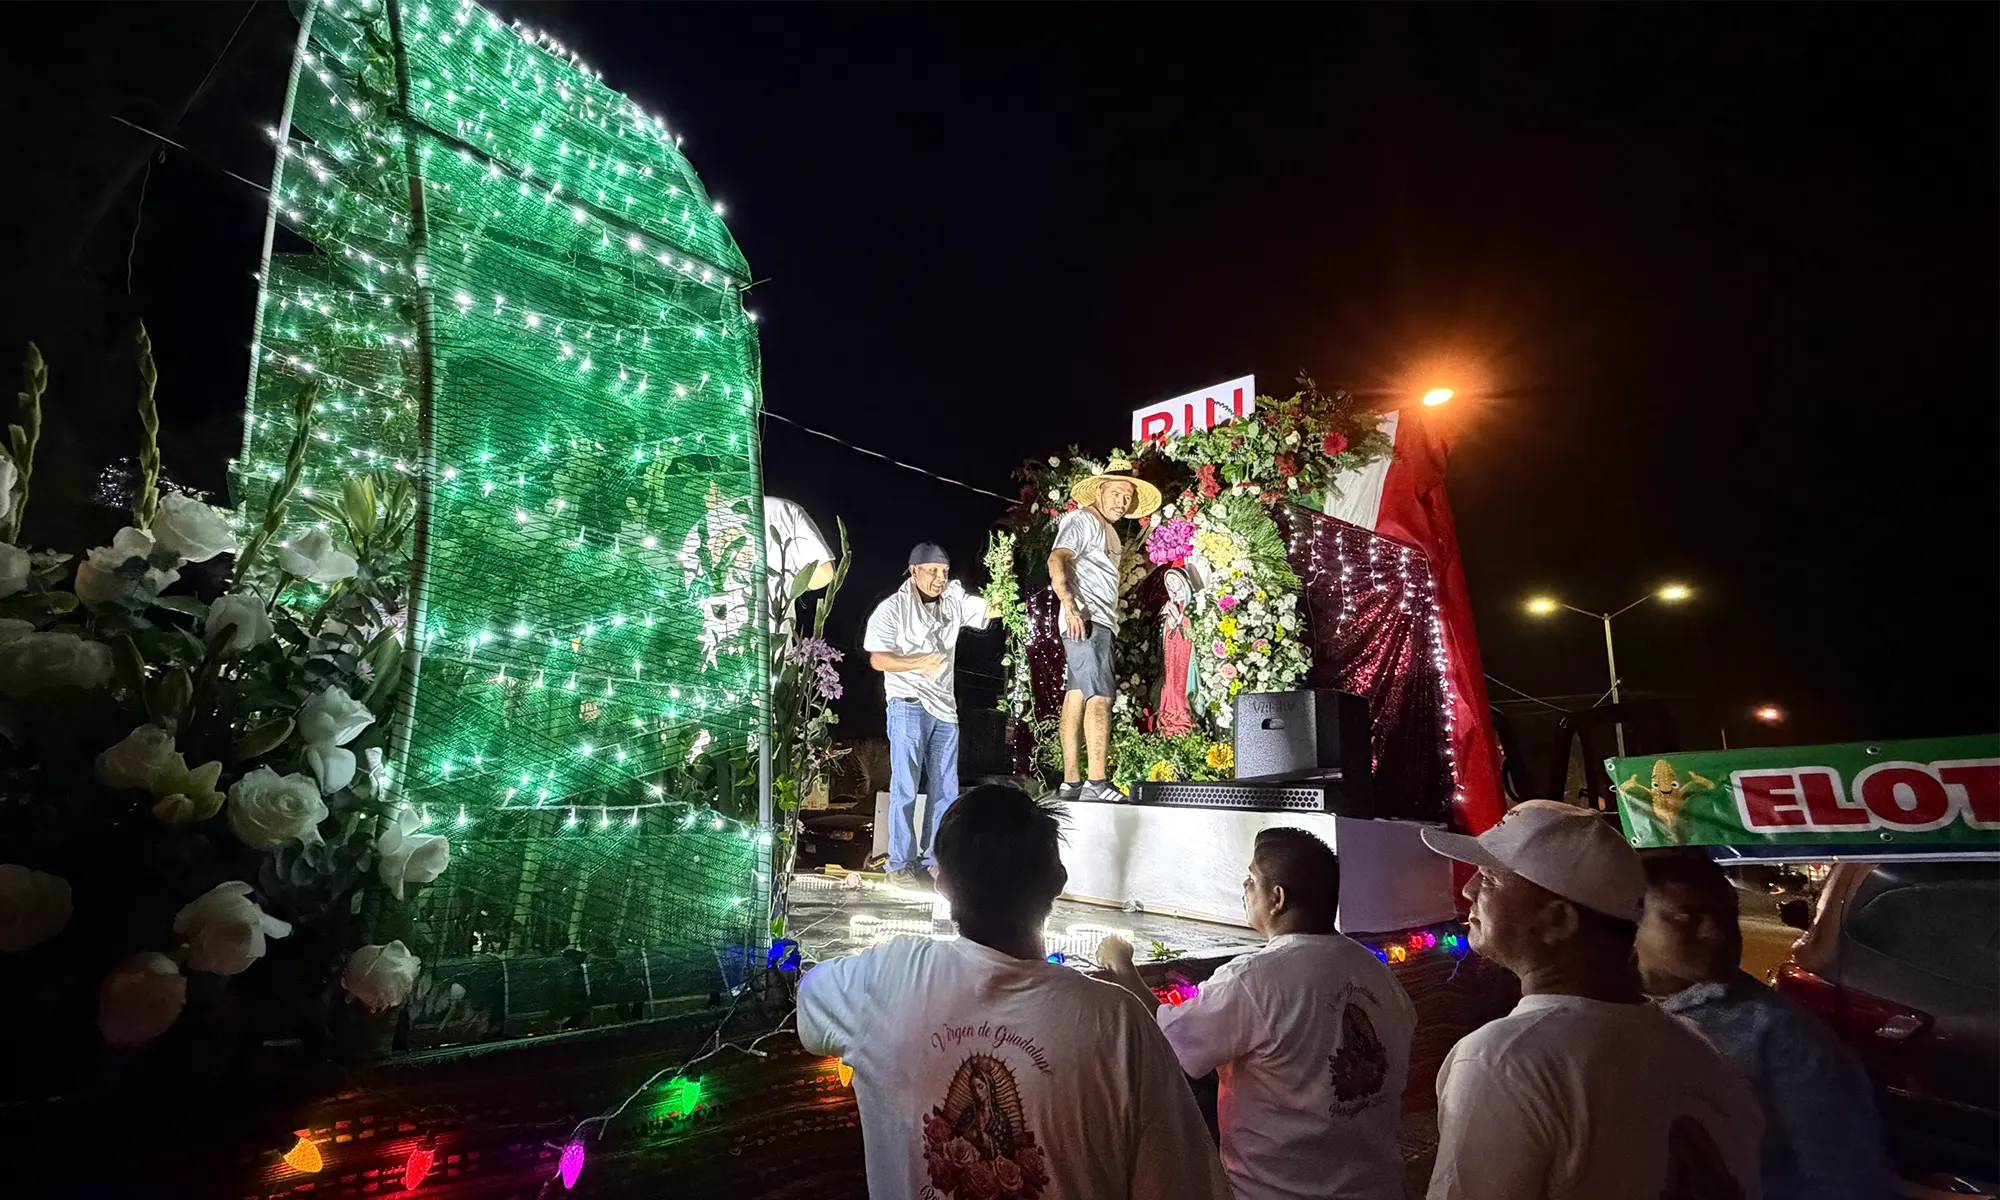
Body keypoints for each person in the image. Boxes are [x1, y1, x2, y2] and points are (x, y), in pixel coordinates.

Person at [799, 785, 1231, 1200]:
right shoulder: (1118, 1025)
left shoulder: (882, 980)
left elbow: (810, 1003)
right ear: (1058, 880)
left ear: (941, 884)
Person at [1419, 800, 1763, 1200]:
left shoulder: (1505, 1060)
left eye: (1491, 879)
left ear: (1557, 921)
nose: (1469, 888)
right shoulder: (1697, 1049)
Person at [1098, 828, 1416, 1200]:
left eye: (1251, 879)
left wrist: (1124, 970)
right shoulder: (1377, 973)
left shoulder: (1256, 979)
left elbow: (1173, 1044)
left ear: (1277, 898)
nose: (1245, 888)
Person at [1637, 852, 1896, 1200]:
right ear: (1630, 920)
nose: (1716, 933)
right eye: (1687, 917)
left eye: (1729, 914)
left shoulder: (1781, 1035)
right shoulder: (1596, 1011)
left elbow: (1845, 1179)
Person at [864, 543, 995, 888]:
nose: (940, 578)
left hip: (944, 709)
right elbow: (878, 659)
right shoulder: (892, 609)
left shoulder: (952, 600)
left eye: (945, 571)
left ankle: (936, 860)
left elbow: (991, 609)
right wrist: (918, 662)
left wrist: (1008, 579)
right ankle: (899, 864)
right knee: (906, 785)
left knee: (944, 789)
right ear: (914, 570)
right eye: (933, 571)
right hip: (907, 703)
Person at [1047, 455, 1160, 802]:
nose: (1121, 501)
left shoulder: (1109, 529)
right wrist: (1070, 606)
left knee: (1077, 695)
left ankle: (1071, 783)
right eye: (1116, 493)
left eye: (1127, 496)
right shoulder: (1082, 519)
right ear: (1100, 491)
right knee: (1101, 698)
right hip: (1087, 619)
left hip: (1095, 619)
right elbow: (1056, 558)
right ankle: (1097, 782)